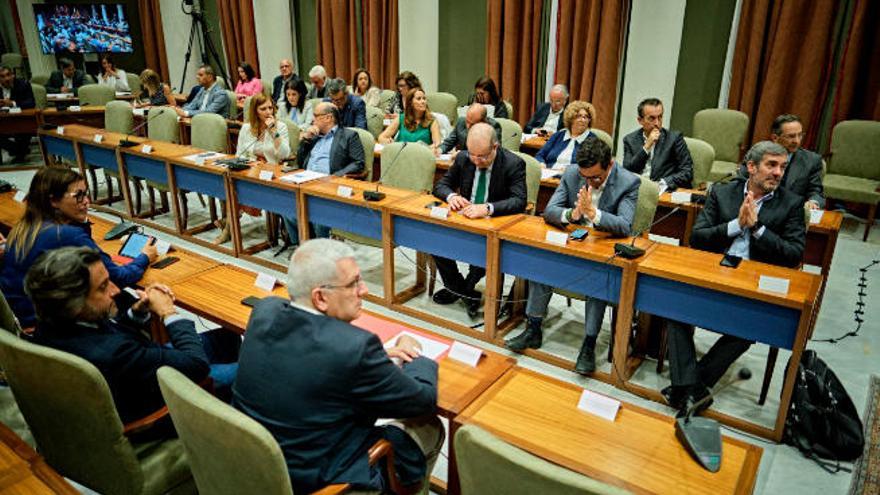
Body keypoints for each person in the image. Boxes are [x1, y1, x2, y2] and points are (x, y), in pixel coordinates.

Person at [233, 239, 443, 494]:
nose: (364, 290)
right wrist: (418, 356)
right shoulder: (355, 347)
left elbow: (310, 355)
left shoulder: (265, 310)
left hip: (253, 464)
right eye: (354, 283)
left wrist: (380, 357)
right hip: (318, 481)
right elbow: (422, 400)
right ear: (320, 297)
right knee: (428, 426)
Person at [662, 141, 806, 417]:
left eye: (782, 167)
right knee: (674, 308)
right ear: (751, 167)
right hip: (715, 275)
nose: (778, 173)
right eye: (771, 165)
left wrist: (758, 228)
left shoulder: (791, 204)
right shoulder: (722, 193)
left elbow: (793, 255)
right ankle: (694, 390)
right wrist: (736, 226)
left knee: (749, 326)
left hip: (756, 283)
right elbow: (698, 238)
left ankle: (688, 388)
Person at [26, 246, 239, 427]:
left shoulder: (49, 326)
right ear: (73, 304)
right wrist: (169, 313)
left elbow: (110, 335)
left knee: (227, 337)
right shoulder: (113, 353)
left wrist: (137, 312)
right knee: (260, 368)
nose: (115, 290)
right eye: (103, 287)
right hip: (159, 405)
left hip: (135, 374)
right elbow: (197, 365)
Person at [507, 136, 640, 375]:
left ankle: (589, 343)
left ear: (609, 165)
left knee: (599, 275)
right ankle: (533, 327)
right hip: (572, 243)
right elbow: (550, 211)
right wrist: (573, 214)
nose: (590, 182)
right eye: (585, 177)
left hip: (602, 250)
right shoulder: (572, 173)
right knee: (542, 258)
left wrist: (594, 213)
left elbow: (625, 226)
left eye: (596, 177)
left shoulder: (628, 182)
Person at [0, 168, 157, 328]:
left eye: (86, 194)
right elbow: (118, 277)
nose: (86, 201)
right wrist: (144, 257)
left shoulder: (24, 228)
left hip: (20, 317)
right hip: (44, 326)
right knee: (135, 301)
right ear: (53, 201)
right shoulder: (67, 235)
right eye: (79, 196)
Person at [431, 123, 527, 318]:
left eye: (482, 156)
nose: (476, 161)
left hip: (492, 226)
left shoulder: (513, 163)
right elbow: (441, 185)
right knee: (434, 242)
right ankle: (463, 290)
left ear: (495, 147)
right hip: (464, 220)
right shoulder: (464, 158)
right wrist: (451, 197)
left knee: (485, 252)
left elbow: (520, 201)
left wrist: (488, 208)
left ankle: (462, 290)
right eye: (472, 155)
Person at [282, 102, 365, 245]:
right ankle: (302, 246)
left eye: (316, 116)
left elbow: (359, 163)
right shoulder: (314, 137)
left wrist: (336, 176)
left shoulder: (349, 135)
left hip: (328, 186)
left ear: (328, 118)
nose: (312, 120)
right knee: (287, 209)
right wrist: (306, 139)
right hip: (305, 181)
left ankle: (321, 249)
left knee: (320, 216)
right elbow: (300, 161)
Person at [739, 114, 825, 210]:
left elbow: (816, 192)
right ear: (775, 138)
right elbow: (740, 181)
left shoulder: (812, 160)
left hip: (789, 212)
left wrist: (813, 202)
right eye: (791, 136)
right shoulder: (757, 153)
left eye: (800, 135)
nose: (797, 141)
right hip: (757, 206)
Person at [622, 97, 693, 191]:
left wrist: (664, 183)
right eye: (652, 118)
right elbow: (628, 172)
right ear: (640, 120)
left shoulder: (674, 139)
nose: (657, 123)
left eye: (660, 117)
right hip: (638, 190)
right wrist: (646, 147)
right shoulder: (630, 140)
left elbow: (687, 171)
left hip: (664, 191)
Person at [534, 100, 596, 169]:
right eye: (579, 116)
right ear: (571, 118)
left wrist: (570, 171)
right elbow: (539, 155)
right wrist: (541, 163)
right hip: (548, 173)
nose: (583, 120)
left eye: (586, 117)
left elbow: (591, 166)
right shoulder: (559, 135)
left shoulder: (593, 141)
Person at [378, 88, 441, 153]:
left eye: (424, 98)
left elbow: (437, 144)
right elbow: (381, 137)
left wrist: (430, 148)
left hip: (421, 156)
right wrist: (387, 142)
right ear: (411, 102)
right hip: (401, 155)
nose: (423, 101)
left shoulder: (432, 120)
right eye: (419, 99)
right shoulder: (402, 118)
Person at [237, 93, 290, 164]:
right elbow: (239, 154)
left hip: (272, 168)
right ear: (255, 112)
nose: (268, 112)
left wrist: (274, 131)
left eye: (270, 108)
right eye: (263, 109)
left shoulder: (281, 127)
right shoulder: (246, 128)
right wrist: (250, 163)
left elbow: (284, 155)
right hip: (250, 169)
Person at [0, 64, 36, 164]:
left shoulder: (23, 84)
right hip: (2, 120)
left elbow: (30, 103)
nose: (7, 78)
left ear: (13, 75)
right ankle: (20, 151)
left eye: (8, 75)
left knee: (24, 129)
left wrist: (12, 103)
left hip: (20, 119)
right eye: (2, 76)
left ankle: (20, 152)